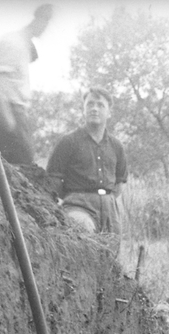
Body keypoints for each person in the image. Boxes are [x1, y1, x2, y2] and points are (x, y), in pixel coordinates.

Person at [46, 89, 128, 251]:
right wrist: (74, 197)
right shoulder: (68, 142)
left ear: (109, 112)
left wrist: (104, 199)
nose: (94, 109)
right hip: (78, 205)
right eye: (90, 104)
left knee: (111, 256)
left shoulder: (116, 146)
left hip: (109, 208)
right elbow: (53, 180)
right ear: (83, 109)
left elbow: (120, 183)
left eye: (100, 105)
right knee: (83, 239)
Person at [0, 4, 53, 166]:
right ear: (42, 21)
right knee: (16, 176)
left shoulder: (20, 43)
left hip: (9, 117)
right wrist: (13, 130)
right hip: (6, 119)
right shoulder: (14, 44)